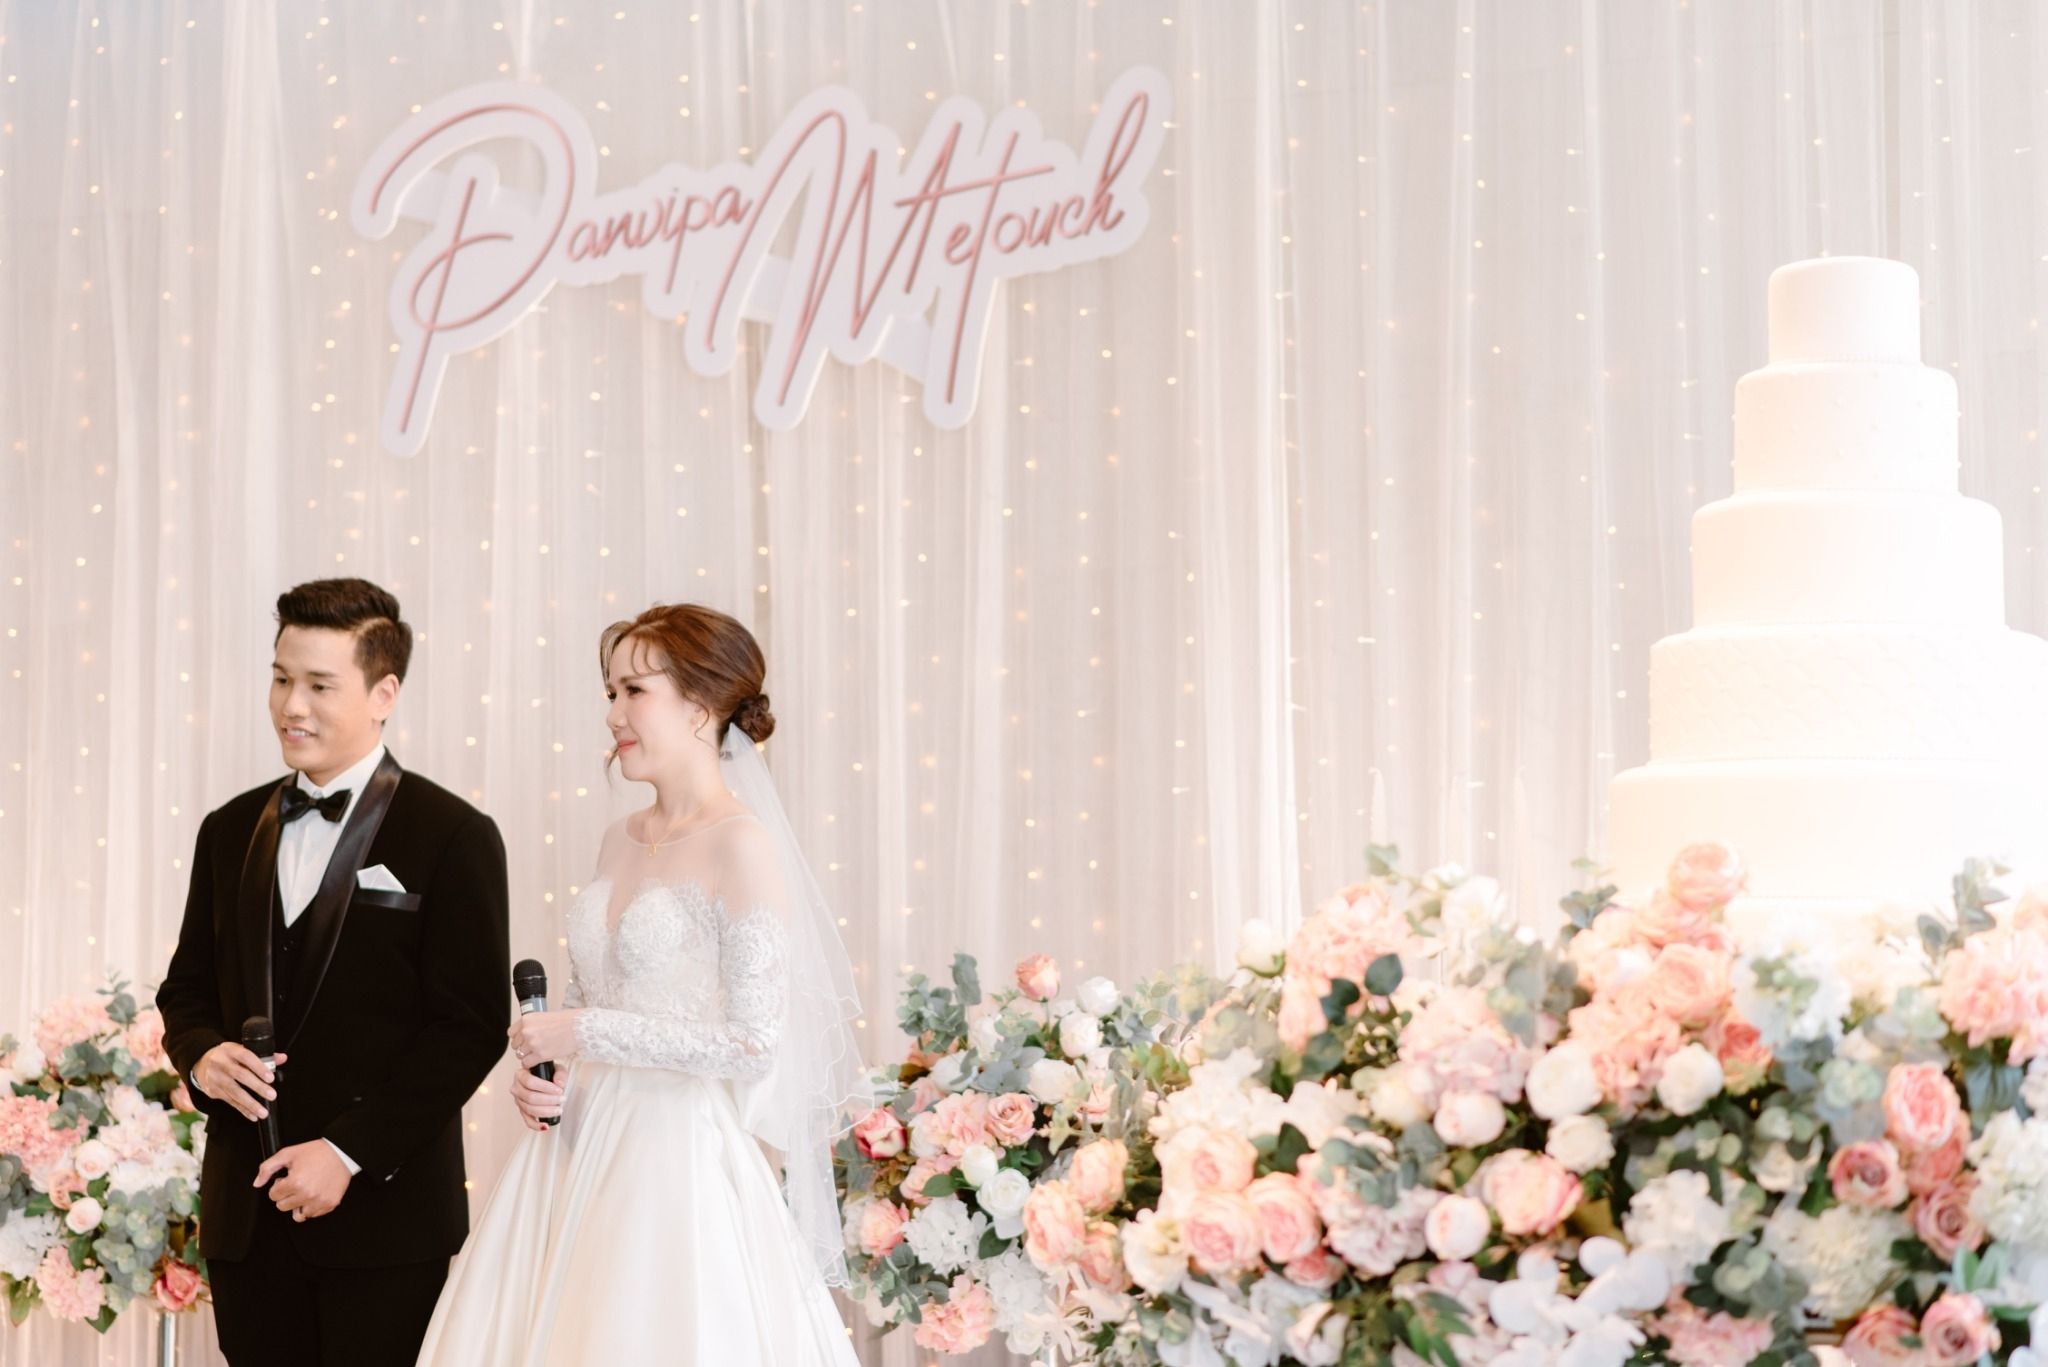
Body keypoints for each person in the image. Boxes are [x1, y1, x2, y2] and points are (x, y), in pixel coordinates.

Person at [416, 603, 869, 1365]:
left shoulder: (742, 844)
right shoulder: (615, 839)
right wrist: (550, 1072)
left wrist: (584, 1030)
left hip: (677, 1160)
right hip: (577, 1148)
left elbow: (753, 1043)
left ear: (701, 705)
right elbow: (590, 994)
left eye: (634, 690)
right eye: (611, 692)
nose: (613, 713)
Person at [156, 578, 511, 1365]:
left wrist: (347, 1150)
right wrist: (201, 1053)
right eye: (281, 678)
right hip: (246, 1216)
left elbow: (471, 1026)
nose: (292, 705)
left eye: (319, 684)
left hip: (385, 1220)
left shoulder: (454, 833)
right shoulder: (226, 828)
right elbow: (186, 987)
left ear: (384, 693)